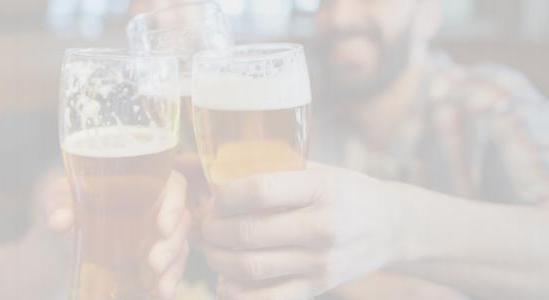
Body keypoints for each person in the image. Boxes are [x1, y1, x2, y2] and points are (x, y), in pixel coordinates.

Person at [197, 0, 549, 299]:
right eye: (326, 2)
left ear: (429, 13)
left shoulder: (491, 104)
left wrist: (393, 225)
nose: (341, 17)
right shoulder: (295, 112)